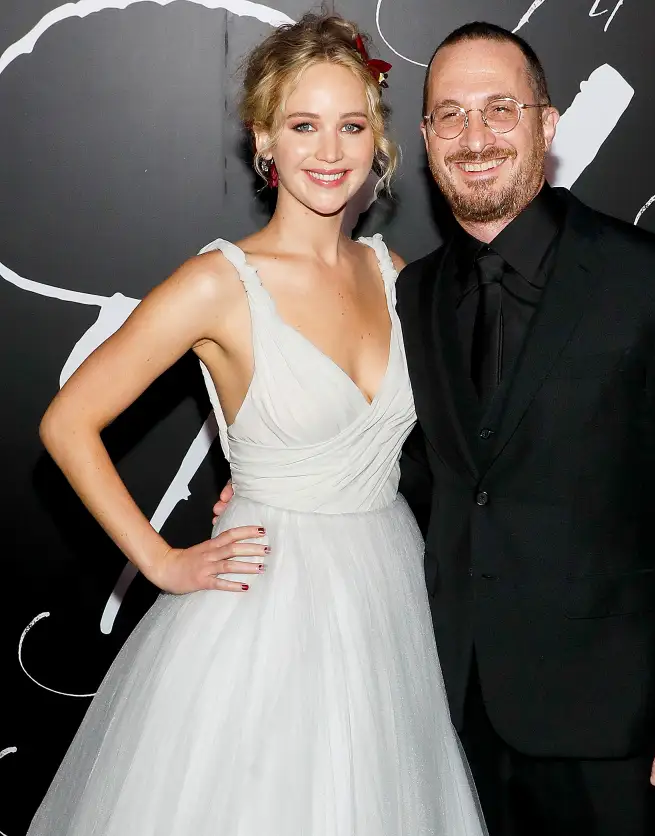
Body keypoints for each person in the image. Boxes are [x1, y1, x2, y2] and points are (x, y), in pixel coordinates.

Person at [215, 20, 655, 836]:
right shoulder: (414, 292)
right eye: (450, 115)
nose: (475, 138)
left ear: (548, 123)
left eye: (501, 109)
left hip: (615, 719)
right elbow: (429, 467)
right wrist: (286, 477)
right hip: (445, 700)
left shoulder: (647, 279)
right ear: (426, 139)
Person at [28, 14, 486, 836]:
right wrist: (161, 560)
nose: (330, 150)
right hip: (263, 605)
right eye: (304, 125)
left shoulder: (395, 276)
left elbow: (434, 446)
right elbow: (68, 422)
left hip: (386, 596)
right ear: (264, 139)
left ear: (378, 140)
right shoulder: (219, 283)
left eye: (351, 126)